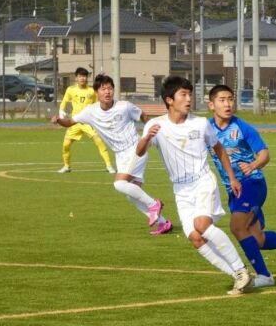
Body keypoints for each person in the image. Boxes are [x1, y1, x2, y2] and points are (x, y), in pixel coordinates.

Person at [136, 76, 252, 294]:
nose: (189, 99)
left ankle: (241, 269)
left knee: (201, 225)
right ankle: (239, 276)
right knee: (196, 238)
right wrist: (146, 138)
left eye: (190, 94)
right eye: (184, 94)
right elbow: (140, 151)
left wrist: (232, 178)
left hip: (203, 182)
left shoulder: (200, 124)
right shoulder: (155, 125)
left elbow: (218, 149)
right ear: (169, 100)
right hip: (181, 190)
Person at [207, 85, 276, 289]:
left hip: (253, 183)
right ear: (211, 105)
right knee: (256, 240)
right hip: (233, 189)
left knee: (236, 227)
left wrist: (253, 165)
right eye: (222, 100)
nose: (228, 104)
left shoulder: (242, 127)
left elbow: (265, 154)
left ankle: (264, 276)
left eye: (230, 99)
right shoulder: (205, 129)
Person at [51, 74, 173, 235]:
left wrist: (148, 136)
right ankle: (164, 223)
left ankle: (153, 204)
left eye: (110, 88)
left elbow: (144, 117)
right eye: (103, 89)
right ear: (97, 92)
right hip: (120, 155)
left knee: (119, 184)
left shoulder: (124, 106)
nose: (107, 92)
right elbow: (70, 122)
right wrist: (59, 120)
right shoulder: (90, 111)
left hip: (135, 148)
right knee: (131, 195)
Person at [56, 67, 114, 174]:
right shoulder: (71, 90)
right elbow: (64, 102)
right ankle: (67, 166)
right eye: (80, 76)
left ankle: (109, 166)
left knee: (99, 142)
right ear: (76, 78)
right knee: (66, 145)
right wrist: (61, 111)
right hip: (74, 122)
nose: (82, 78)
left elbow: (98, 104)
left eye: (84, 76)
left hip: (88, 122)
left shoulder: (92, 91)